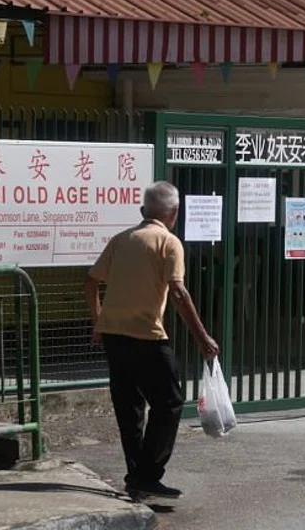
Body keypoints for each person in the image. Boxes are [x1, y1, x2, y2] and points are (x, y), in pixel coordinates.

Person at [86, 180, 219, 499]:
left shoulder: (121, 239)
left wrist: (98, 320)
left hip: (114, 336)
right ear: (174, 213)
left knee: (129, 408)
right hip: (146, 336)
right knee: (170, 402)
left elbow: (91, 281)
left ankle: (137, 475)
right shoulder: (169, 243)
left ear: (143, 210)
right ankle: (148, 473)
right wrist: (202, 337)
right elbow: (178, 292)